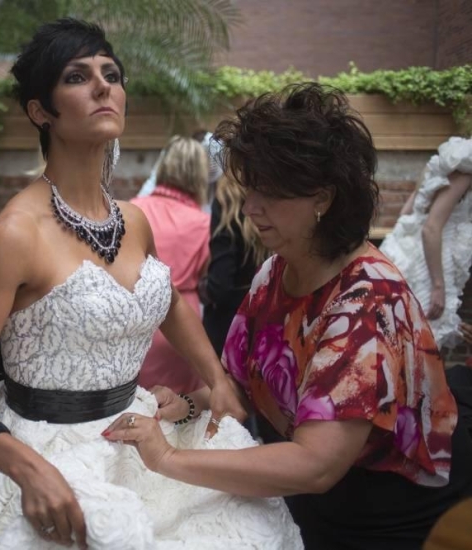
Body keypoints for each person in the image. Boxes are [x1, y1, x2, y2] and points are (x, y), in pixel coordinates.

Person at [0, 19, 302, 550]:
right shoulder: (12, 236)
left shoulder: (134, 220)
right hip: (47, 454)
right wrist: (26, 468)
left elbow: (165, 300)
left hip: (139, 434)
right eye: (77, 77)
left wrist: (216, 380)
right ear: (39, 111)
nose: (103, 86)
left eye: (111, 74)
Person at [105, 83, 472, 550]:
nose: (251, 207)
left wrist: (167, 458)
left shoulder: (365, 303)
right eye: (250, 188)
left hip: (387, 515)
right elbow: (235, 387)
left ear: (323, 198)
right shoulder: (276, 273)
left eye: (271, 193)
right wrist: (188, 403)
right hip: (314, 499)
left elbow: (314, 465)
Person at [130, 136, 211, 394]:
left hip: (136, 318)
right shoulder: (203, 223)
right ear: (200, 175)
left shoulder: (133, 210)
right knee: (180, 413)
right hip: (183, 327)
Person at [379, 137, 472, 350]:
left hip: (406, 251)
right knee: (422, 344)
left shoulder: (445, 158)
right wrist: (438, 286)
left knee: (397, 341)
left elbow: (406, 212)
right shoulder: (466, 169)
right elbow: (431, 228)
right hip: (430, 264)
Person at [200, 173, 269, 357]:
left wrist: (203, 288)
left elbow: (220, 285)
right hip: (266, 324)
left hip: (228, 331)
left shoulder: (226, 202)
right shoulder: (270, 201)